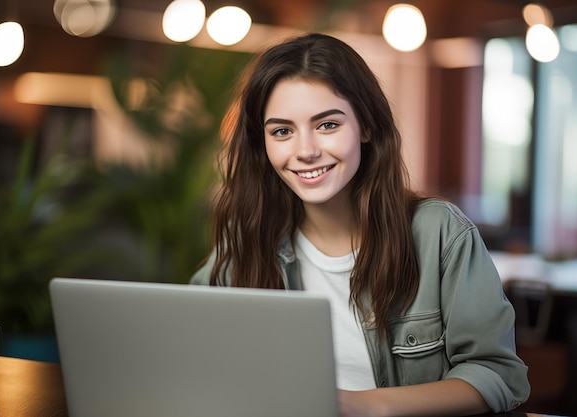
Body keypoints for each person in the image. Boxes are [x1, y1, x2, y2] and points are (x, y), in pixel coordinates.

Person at [190, 32, 530, 417]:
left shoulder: (440, 233)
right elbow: (190, 349)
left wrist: (364, 406)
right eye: (282, 131)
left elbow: (498, 375)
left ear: (366, 127)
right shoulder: (247, 238)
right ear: (262, 143)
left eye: (327, 125)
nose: (305, 151)